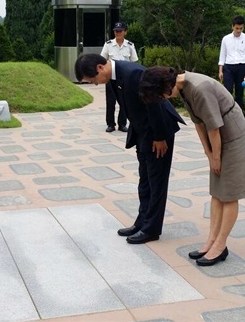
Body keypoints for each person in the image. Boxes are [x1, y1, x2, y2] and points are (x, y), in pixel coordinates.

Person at [139, 67, 245, 266]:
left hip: (233, 135)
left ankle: (220, 245)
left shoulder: (199, 88)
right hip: (219, 135)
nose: (164, 98)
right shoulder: (183, 87)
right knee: (217, 191)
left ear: (167, 85)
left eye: (162, 94)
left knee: (229, 193)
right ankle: (211, 240)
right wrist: (208, 153)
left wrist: (216, 158)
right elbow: (199, 123)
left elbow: (213, 126)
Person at [75, 54, 185, 244]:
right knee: (145, 180)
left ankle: (152, 229)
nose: (95, 84)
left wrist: (159, 137)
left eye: (92, 80)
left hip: (159, 130)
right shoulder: (114, 78)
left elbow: (155, 103)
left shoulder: (133, 73)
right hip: (144, 131)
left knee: (156, 181)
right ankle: (142, 221)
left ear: (100, 68)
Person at [100, 22, 138, 133]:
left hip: (124, 78)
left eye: (120, 31)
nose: (118, 33)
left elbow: (133, 62)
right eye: (116, 31)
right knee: (110, 102)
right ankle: (110, 124)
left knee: (124, 102)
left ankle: (122, 124)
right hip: (111, 77)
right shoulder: (108, 44)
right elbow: (102, 60)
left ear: (125, 32)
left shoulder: (130, 45)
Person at [218, 15, 245, 109]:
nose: (238, 30)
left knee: (239, 92)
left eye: (241, 28)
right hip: (228, 67)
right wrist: (220, 71)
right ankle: (226, 112)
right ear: (232, 26)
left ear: (243, 27)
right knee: (227, 90)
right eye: (237, 28)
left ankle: (239, 115)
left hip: (241, 67)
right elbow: (222, 55)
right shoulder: (226, 39)